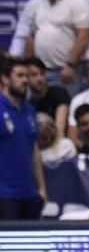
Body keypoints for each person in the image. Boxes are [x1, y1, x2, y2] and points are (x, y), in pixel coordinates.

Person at [21, 0, 89, 87]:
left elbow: (84, 36)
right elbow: (31, 36)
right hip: (40, 73)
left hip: (67, 72)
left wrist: (70, 65)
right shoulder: (36, 3)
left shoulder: (77, 1)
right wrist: (26, 66)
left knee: (66, 106)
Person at [0, 58, 46, 220]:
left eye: (27, 76)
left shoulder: (30, 110)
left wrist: (41, 188)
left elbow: (34, 148)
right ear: (5, 79)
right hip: (4, 194)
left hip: (30, 194)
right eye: (19, 76)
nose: (25, 80)